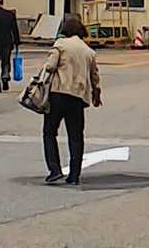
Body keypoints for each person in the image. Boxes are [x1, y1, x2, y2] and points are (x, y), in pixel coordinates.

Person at [40, 15, 102, 186]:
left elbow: (50, 66)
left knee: (49, 132)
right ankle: (74, 175)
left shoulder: (60, 45)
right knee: (76, 136)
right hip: (77, 97)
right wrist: (96, 93)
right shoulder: (88, 51)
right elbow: (95, 76)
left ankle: (54, 170)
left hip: (58, 94)